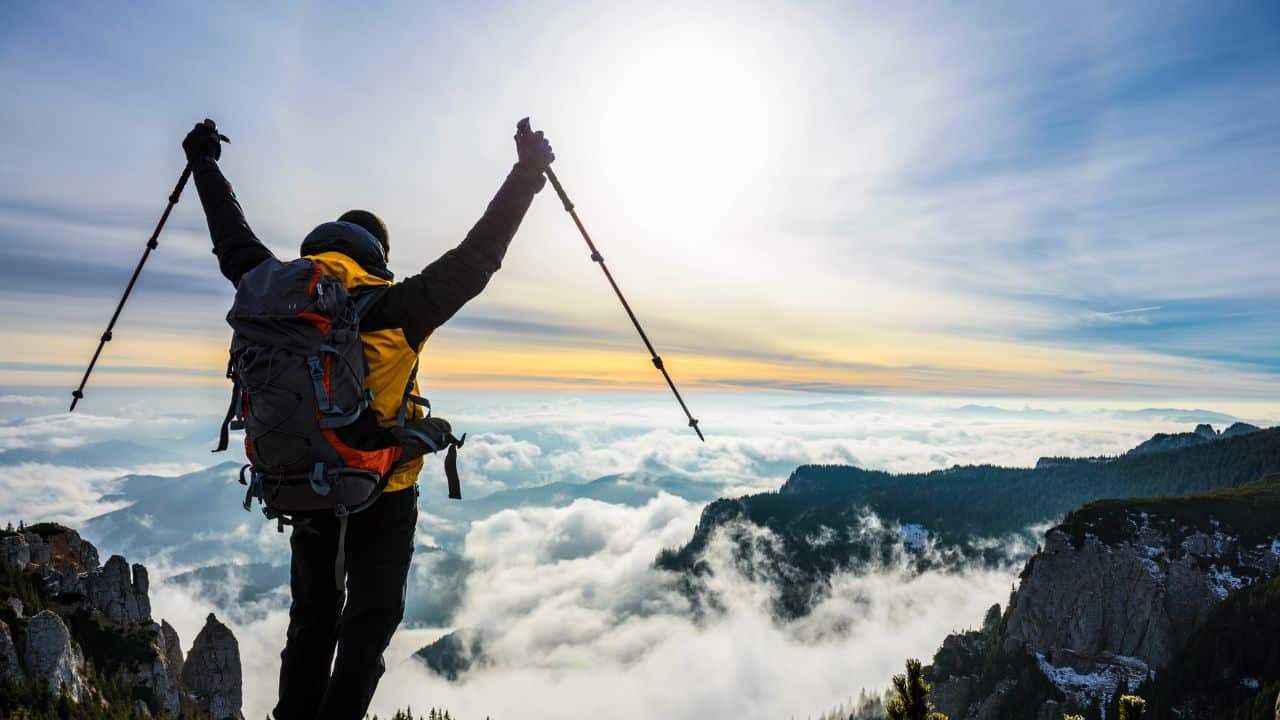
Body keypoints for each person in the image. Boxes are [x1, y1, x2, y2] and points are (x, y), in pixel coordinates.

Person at [182, 118, 554, 720]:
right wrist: (527, 174)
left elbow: (229, 233)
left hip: (300, 483)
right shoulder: (398, 307)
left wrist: (203, 161)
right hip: (382, 487)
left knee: (312, 618)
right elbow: (478, 258)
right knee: (370, 622)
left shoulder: (265, 288)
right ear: (376, 254)